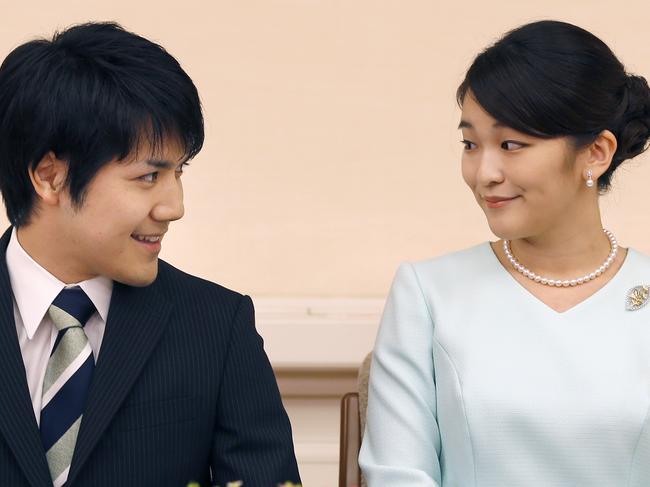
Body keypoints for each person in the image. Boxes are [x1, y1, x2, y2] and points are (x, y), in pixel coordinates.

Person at [0, 22, 301, 487]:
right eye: (148, 176)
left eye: (178, 172)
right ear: (50, 176)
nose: (174, 207)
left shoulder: (218, 328)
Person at [359, 20, 650, 486]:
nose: (484, 173)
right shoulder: (429, 293)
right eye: (471, 144)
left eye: (511, 144)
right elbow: (398, 473)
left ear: (596, 152)